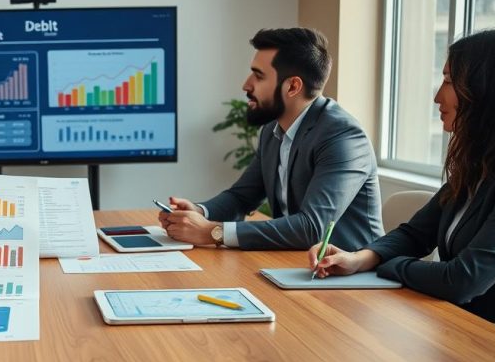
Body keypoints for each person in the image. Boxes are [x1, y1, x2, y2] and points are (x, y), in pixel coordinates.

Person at [311, 27, 495, 327]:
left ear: (488, 92)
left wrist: (388, 265)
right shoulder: (482, 161)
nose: (436, 97)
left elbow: (462, 280)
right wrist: (360, 259)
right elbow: (415, 234)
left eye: (448, 82)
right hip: (458, 325)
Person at [159, 28, 383, 250]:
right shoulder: (272, 131)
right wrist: (198, 213)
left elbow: (312, 228)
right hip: (295, 266)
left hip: (352, 277)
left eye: (258, 76)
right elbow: (241, 198)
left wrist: (212, 231)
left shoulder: (343, 137)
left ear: (293, 86)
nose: (246, 85)